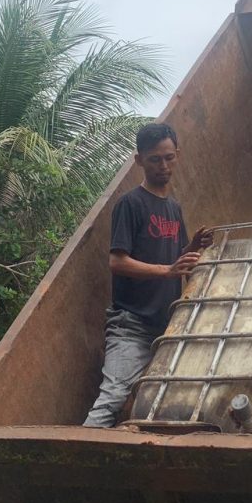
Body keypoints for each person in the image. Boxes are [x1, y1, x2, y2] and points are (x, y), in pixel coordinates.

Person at [84, 122, 213, 428]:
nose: (163, 166)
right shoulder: (130, 204)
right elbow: (118, 262)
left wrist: (193, 246)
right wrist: (168, 270)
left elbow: (176, 257)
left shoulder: (173, 208)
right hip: (132, 326)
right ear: (139, 160)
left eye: (169, 157)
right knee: (112, 398)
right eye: (155, 159)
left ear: (178, 155)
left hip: (168, 328)